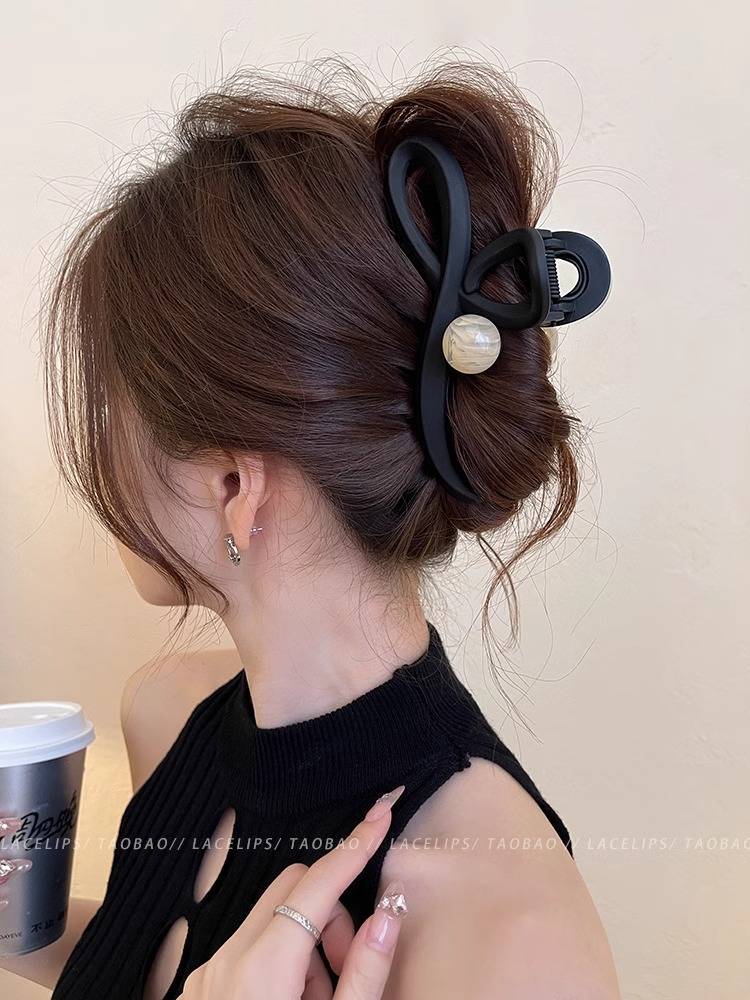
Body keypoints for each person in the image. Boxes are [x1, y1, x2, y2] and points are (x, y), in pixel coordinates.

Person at [1, 56, 621, 998]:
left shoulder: (510, 937)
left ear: (233, 487)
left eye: (113, 410)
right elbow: (137, 962)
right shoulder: (168, 713)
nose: (94, 465)